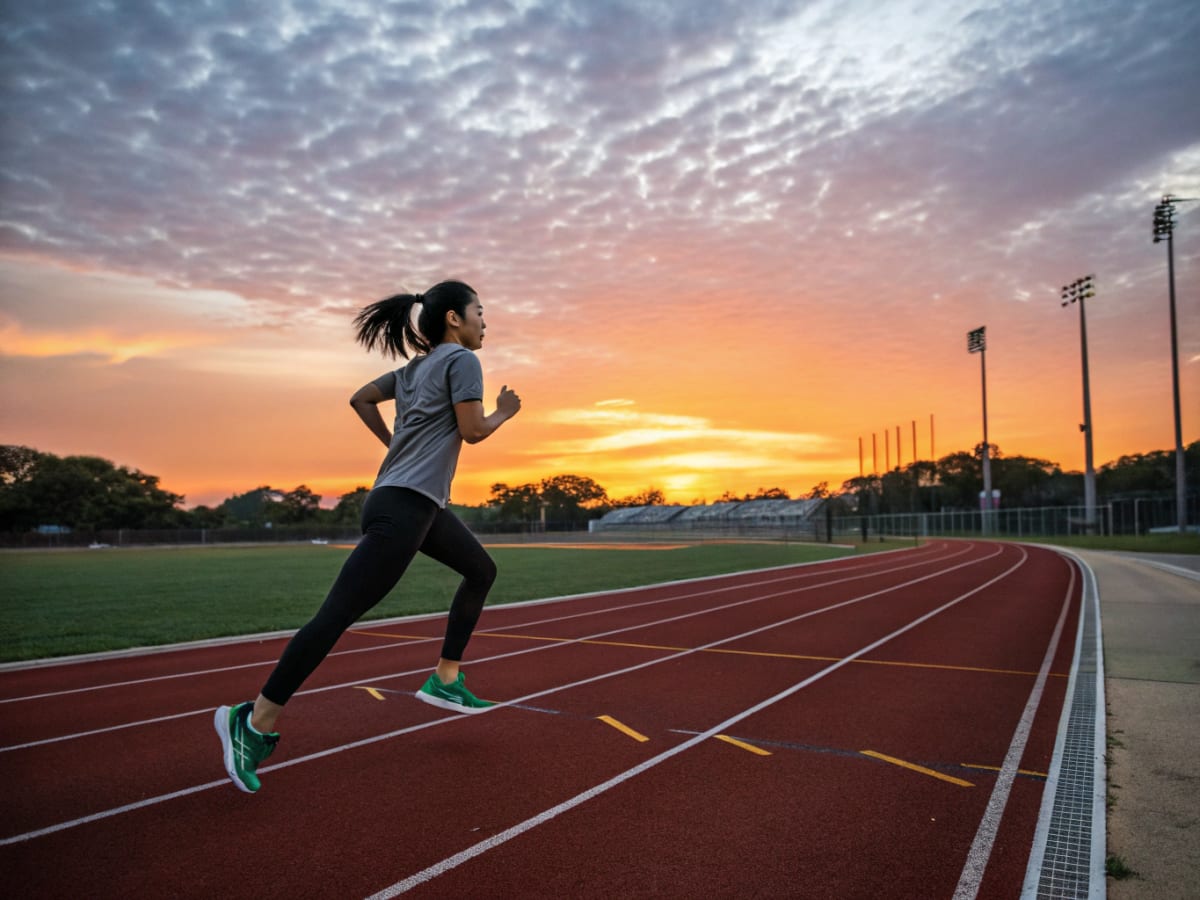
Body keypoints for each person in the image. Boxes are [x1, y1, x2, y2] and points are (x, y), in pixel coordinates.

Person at [215, 280, 521, 793]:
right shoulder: (462, 361)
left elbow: (360, 398)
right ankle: (254, 720)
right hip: (405, 507)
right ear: (454, 318)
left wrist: (394, 443)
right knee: (336, 616)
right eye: (480, 312)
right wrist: (504, 412)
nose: (484, 322)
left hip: (409, 502)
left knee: (480, 570)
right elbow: (472, 430)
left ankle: (446, 680)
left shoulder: (412, 369)